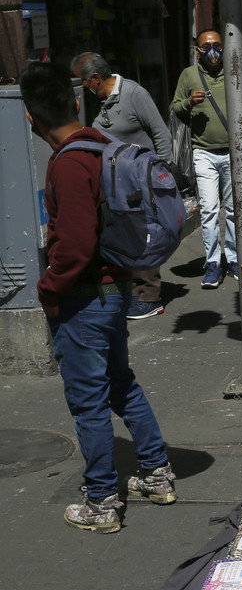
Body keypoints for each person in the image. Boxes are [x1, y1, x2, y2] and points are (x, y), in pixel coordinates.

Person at [21, 62, 177, 533]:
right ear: (75, 104)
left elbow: (73, 245)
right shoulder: (104, 146)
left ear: (31, 118)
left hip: (84, 299)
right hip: (116, 291)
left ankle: (102, 500)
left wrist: (48, 289)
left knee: (88, 400)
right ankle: (156, 473)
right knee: (121, 383)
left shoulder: (67, 162)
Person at [70, 52, 173, 321]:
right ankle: (129, 291)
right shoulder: (98, 101)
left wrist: (164, 174)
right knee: (122, 237)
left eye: (83, 81)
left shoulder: (134, 94)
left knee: (143, 235)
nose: (82, 87)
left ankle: (150, 298)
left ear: (95, 78)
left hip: (140, 178)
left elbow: (161, 133)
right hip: (114, 182)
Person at [171, 28, 242, 290]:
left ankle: (233, 259)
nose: (213, 51)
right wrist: (188, 102)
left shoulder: (237, 72)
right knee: (210, 210)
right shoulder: (189, 75)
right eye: (206, 47)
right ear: (197, 50)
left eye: (217, 45)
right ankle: (212, 263)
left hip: (235, 154)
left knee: (235, 210)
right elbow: (174, 107)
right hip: (203, 153)